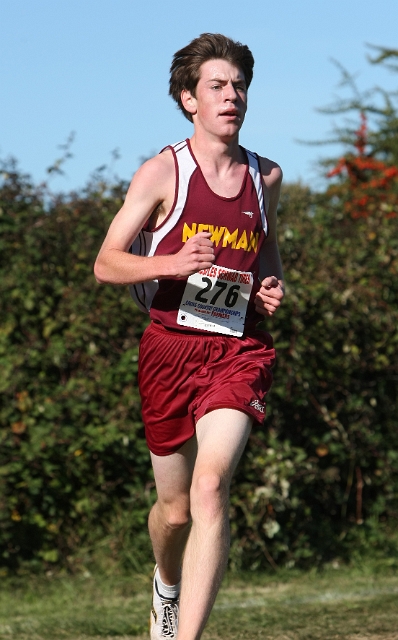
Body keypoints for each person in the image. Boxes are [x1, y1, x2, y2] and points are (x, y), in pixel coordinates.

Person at [94, 32, 284, 640]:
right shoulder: (162, 171)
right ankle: (165, 585)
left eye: (239, 86)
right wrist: (170, 263)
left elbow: (268, 259)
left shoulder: (266, 176)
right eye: (217, 86)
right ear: (188, 100)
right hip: (170, 349)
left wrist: (270, 287)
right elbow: (106, 263)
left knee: (210, 487)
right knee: (175, 511)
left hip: (238, 348)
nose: (232, 97)